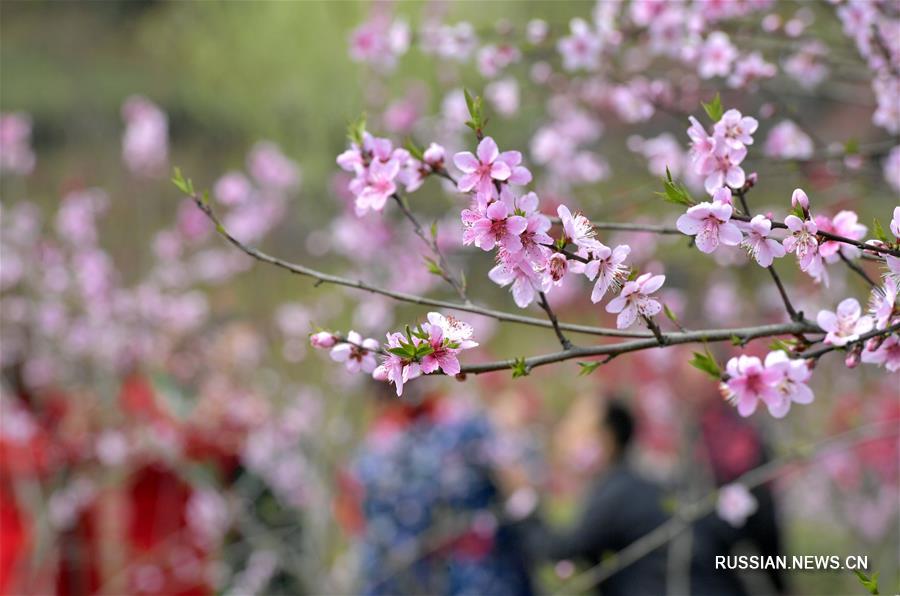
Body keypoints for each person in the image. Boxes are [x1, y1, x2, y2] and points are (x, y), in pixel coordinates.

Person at [342, 380, 533, 596]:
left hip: (450, 573)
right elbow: (520, 489)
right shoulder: (466, 425)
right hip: (469, 575)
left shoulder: (369, 453)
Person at [500, 398, 670, 596]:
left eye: (576, 429)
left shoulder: (618, 493)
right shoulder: (618, 484)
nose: (564, 435)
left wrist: (522, 498)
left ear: (606, 439)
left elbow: (563, 549)